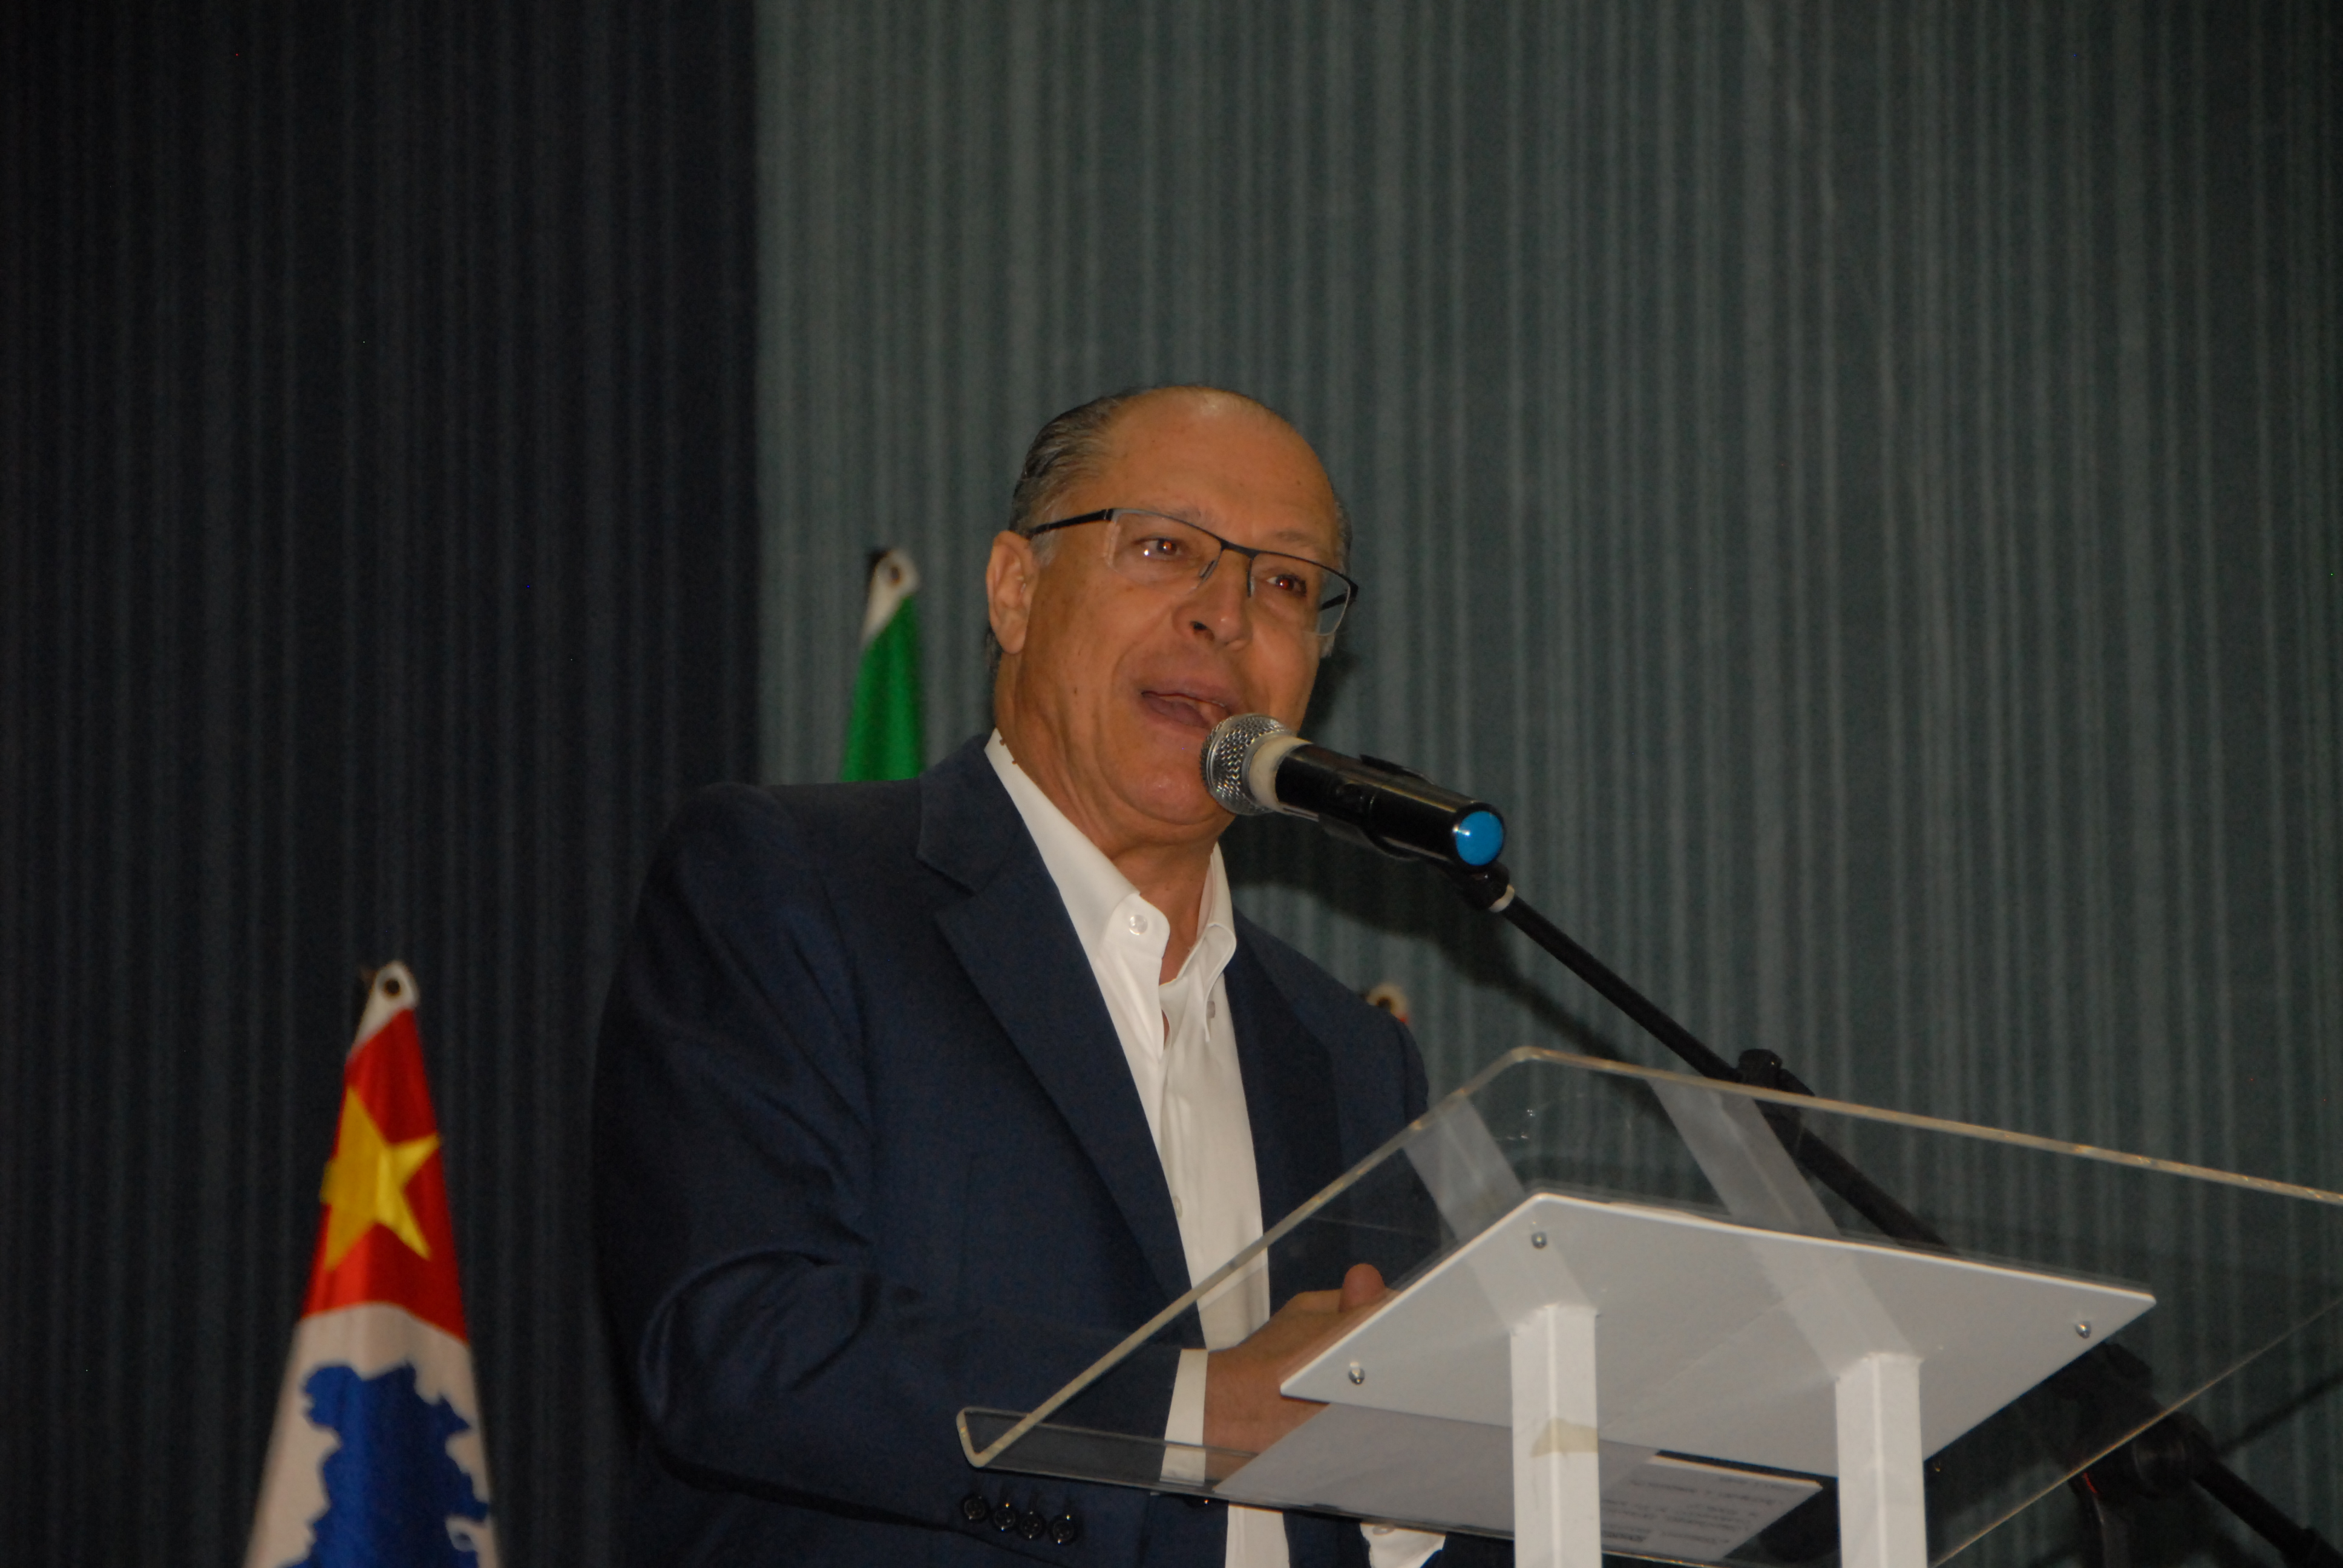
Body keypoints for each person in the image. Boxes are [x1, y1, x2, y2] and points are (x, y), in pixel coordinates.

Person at [594, 387, 1469, 1567]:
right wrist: (1199, 1410)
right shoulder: (795, 885)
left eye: (1284, 583)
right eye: (1165, 548)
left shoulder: (1352, 1055)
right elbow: (736, 1343)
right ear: (1015, 591)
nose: (1224, 614)